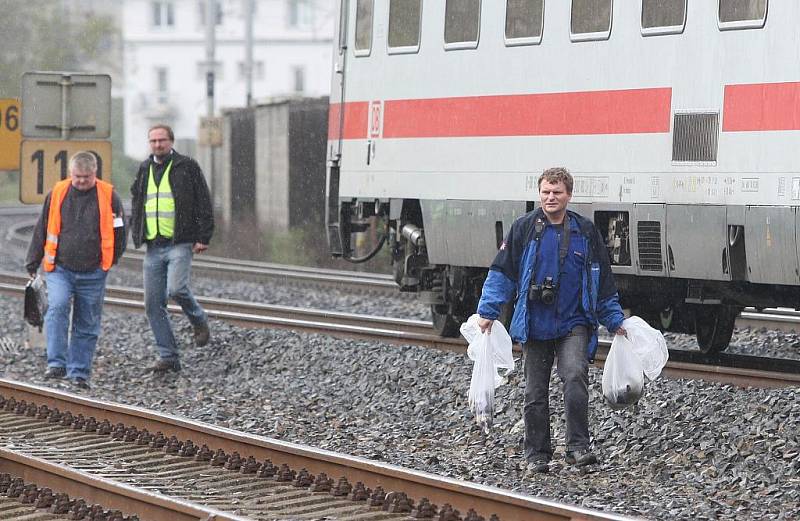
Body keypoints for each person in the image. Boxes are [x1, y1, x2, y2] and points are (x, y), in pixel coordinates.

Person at [476, 167, 627, 473]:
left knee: (574, 377)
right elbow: (502, 271)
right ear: (539, 194)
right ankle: (537, 453)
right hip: (535, 322)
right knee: (534, 392)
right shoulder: (525, 228)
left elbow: (603, 281)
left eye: (557, 192)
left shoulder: (585, 232)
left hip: (574, 322)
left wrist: (614, 320)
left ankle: (577, 447)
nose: (550, 197)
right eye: (545, 192)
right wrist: (488, 311)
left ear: (568, 195)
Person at [25, 151, 127, 390]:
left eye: (86, 177)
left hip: (94, 271)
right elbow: (42, 228)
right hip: (60, 268)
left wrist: (112, 259)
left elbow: (121, 230)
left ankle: (79, 371)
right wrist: (33, 260)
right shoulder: (58, 193)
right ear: (71, 173)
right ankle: (56, 363)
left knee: (87, 322)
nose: (81, 181)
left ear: (95, 173)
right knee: (57, 307)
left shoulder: (109, 196)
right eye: (77, 176)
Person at [130, 124, 214, 374]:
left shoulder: (187, 166)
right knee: (153, 304)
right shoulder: (144, 169)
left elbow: (203, 201)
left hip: (180, 241)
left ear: (171, 141)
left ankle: (198, 319)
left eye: (162, 140)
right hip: (153, 246)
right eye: (153, 141)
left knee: (176, 288)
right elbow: (137, 202)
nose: (157, 145)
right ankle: (168, 356)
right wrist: (136, 231)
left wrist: (203, 236)